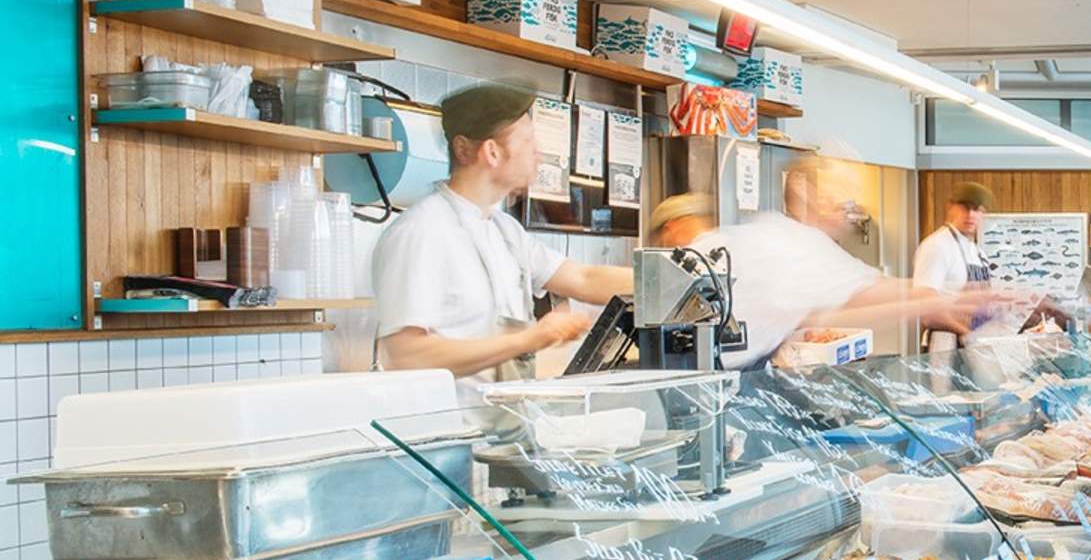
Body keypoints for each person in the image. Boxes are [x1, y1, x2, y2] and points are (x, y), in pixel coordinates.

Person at [371, 85, 634, 395]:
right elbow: (406, 356)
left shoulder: (505, 231)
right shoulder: (419, 232)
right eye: (527, 141)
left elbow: (583, 278)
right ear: (491, 152)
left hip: (505, 420)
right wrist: (530, 338)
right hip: (449, 422)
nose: (538, 153)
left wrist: (666, 279)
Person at [691, 156, 981, 370]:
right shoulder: (796, 245)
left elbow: (877, 289)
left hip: (726, 367)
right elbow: (873, 297)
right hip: (707, 371)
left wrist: (948, 298)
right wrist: (948, 300)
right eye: (843, 204)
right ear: (807, 195)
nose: (849, 216)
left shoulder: (797, 239)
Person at [912, 181, 995, 350]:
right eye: (965, 207)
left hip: (973, 344)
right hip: (945, 345)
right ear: (951, 208)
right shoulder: (937, 246)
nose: (970, 215)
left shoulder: (978, 252)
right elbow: (926, 309)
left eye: (977, 209)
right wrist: (967, 333)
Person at [649, 192, 715, 248]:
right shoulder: (716, 242)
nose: (666, 245)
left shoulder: (693, 253)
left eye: (662, 241)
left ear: (670, 227)